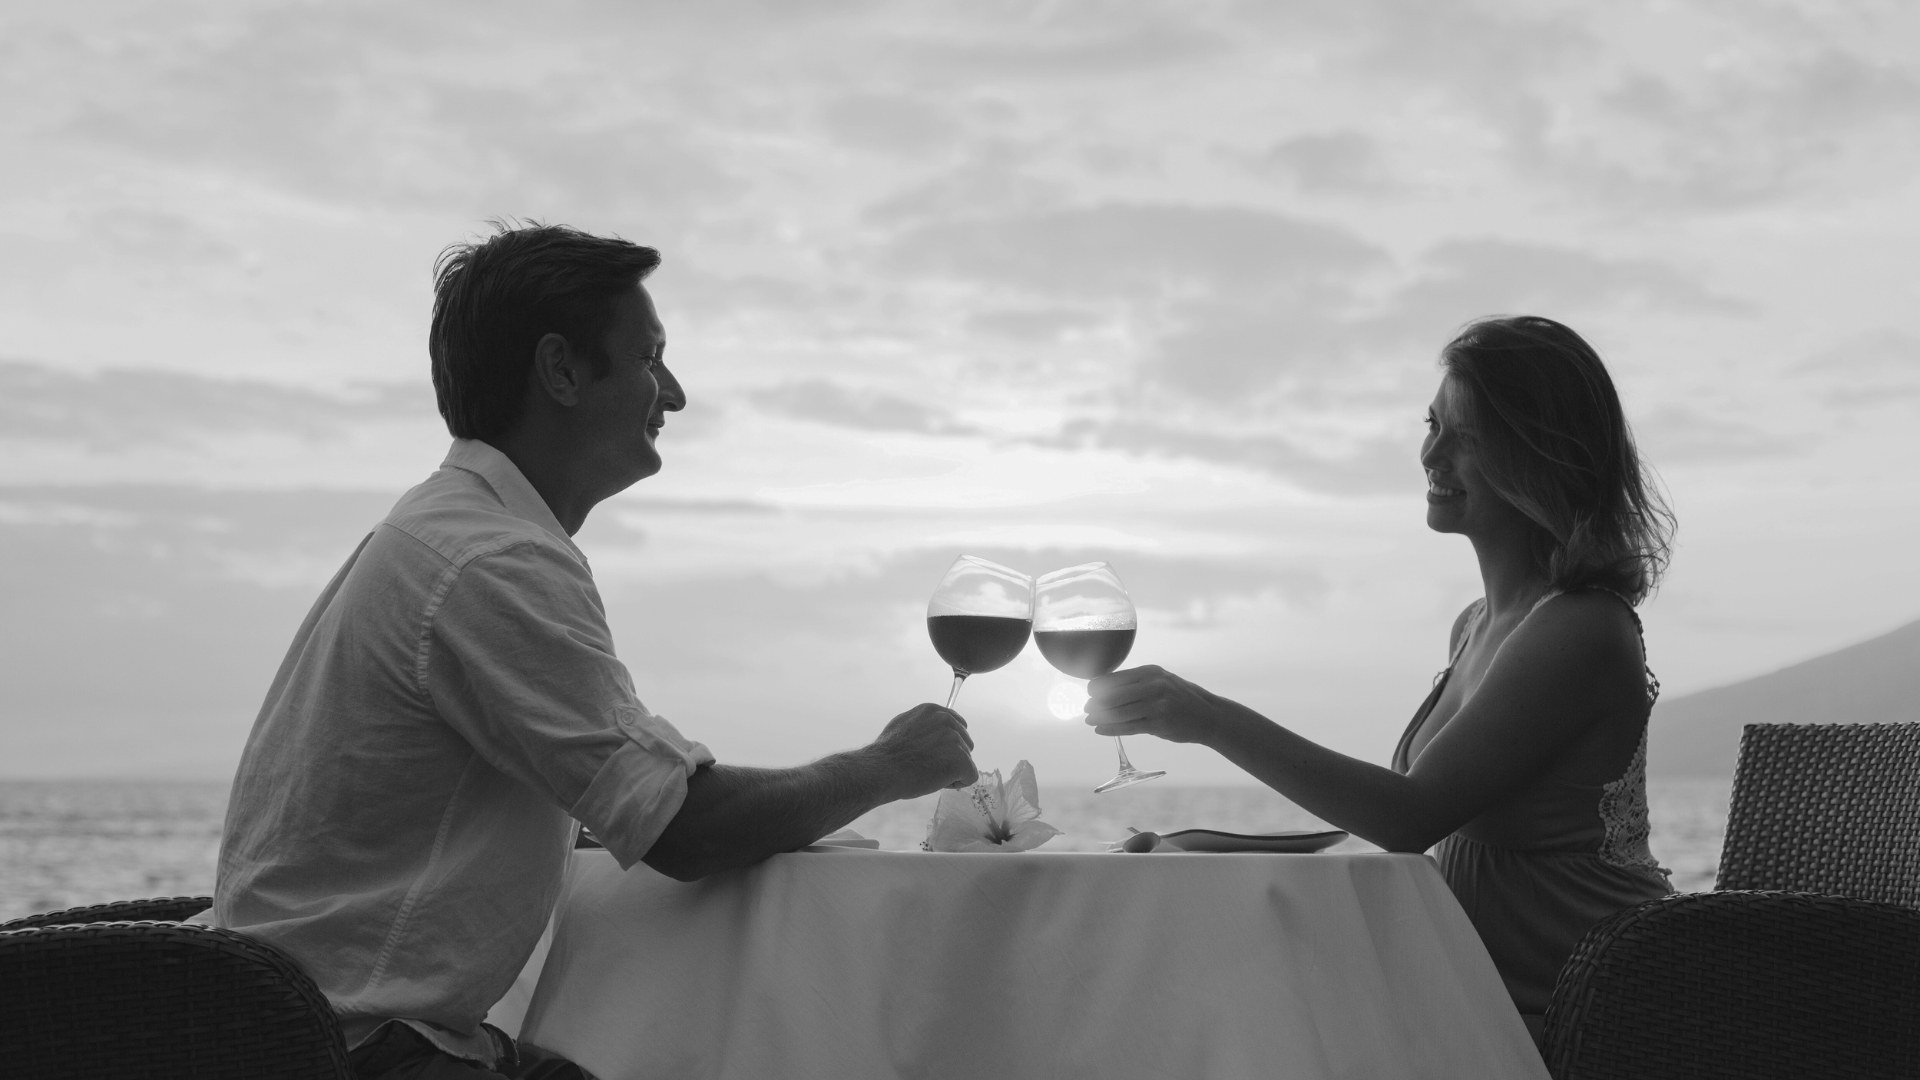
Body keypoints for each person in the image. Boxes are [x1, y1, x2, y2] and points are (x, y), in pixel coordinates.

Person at [197, 223, 979, 1080]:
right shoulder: (495, 561)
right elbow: (687, 830)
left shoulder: (436, 529)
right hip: (353, 1052)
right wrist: (889, 765)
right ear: (562, 370)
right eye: (649, 358)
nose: (674, 394)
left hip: (291, 1023)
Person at [1085, 315, 1675, 1043]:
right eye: (1433, 424)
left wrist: (1208, 717)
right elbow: (1410, 828)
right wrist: (1198, 851)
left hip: (1576, 1011)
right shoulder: (1478, 623)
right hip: (1460, 984)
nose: (1432, 451)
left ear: (1537, 454)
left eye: (1465, 434)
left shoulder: (1580, 628)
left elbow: (1409, 816)